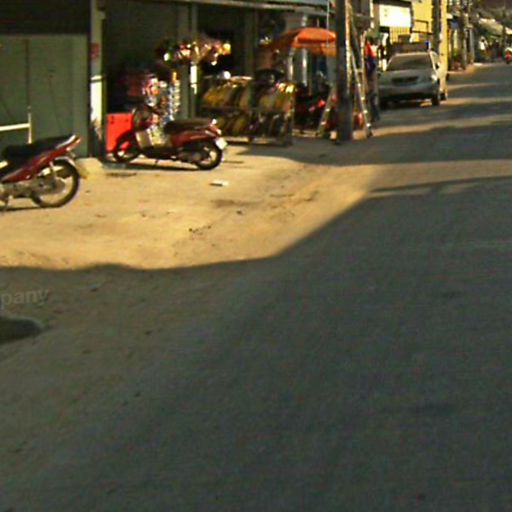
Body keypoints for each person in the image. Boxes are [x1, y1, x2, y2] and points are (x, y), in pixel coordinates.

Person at [364, 37, 380, 122]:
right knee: (372, 96)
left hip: (370, 75)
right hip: (370, 74)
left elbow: (371, 63)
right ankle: (374, 115)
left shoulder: (368, 48)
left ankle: (374, 115)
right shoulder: (369, 48)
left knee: (372, 95)